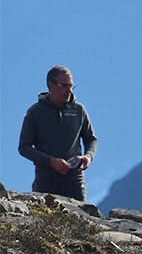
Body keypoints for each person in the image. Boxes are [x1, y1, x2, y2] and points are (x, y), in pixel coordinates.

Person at [18, 65, 98, 201]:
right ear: (51, 85)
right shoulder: (35, 112)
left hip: (74, 181)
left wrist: (88, 156)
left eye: (72, 86)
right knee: (45, 221)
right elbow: (24, 147)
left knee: (79, 220)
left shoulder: (79, 110)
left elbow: (91, 139)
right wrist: (51, 161)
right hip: (46, 182)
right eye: (64, 86)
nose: (69, 91)